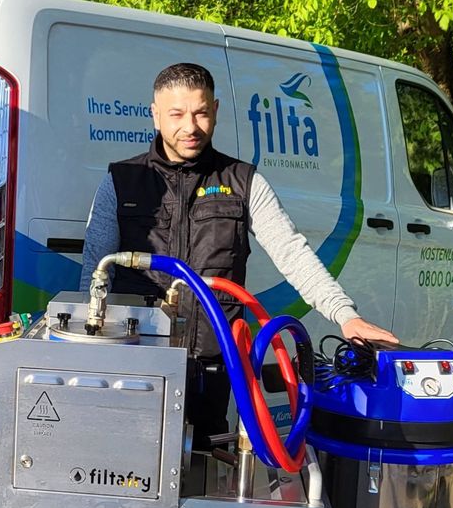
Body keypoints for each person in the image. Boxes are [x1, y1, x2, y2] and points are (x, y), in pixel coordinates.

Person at [80, 62, 398, 445]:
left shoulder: (244, 182)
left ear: (215, 109)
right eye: (177, 114)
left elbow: (292, 253)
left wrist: (345, 316)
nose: (190, 127)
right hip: (134, 361)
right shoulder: (119, 180)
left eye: (200, 113)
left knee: (204, 472)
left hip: (213, 365)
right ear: (155, 114)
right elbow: (94, 274)